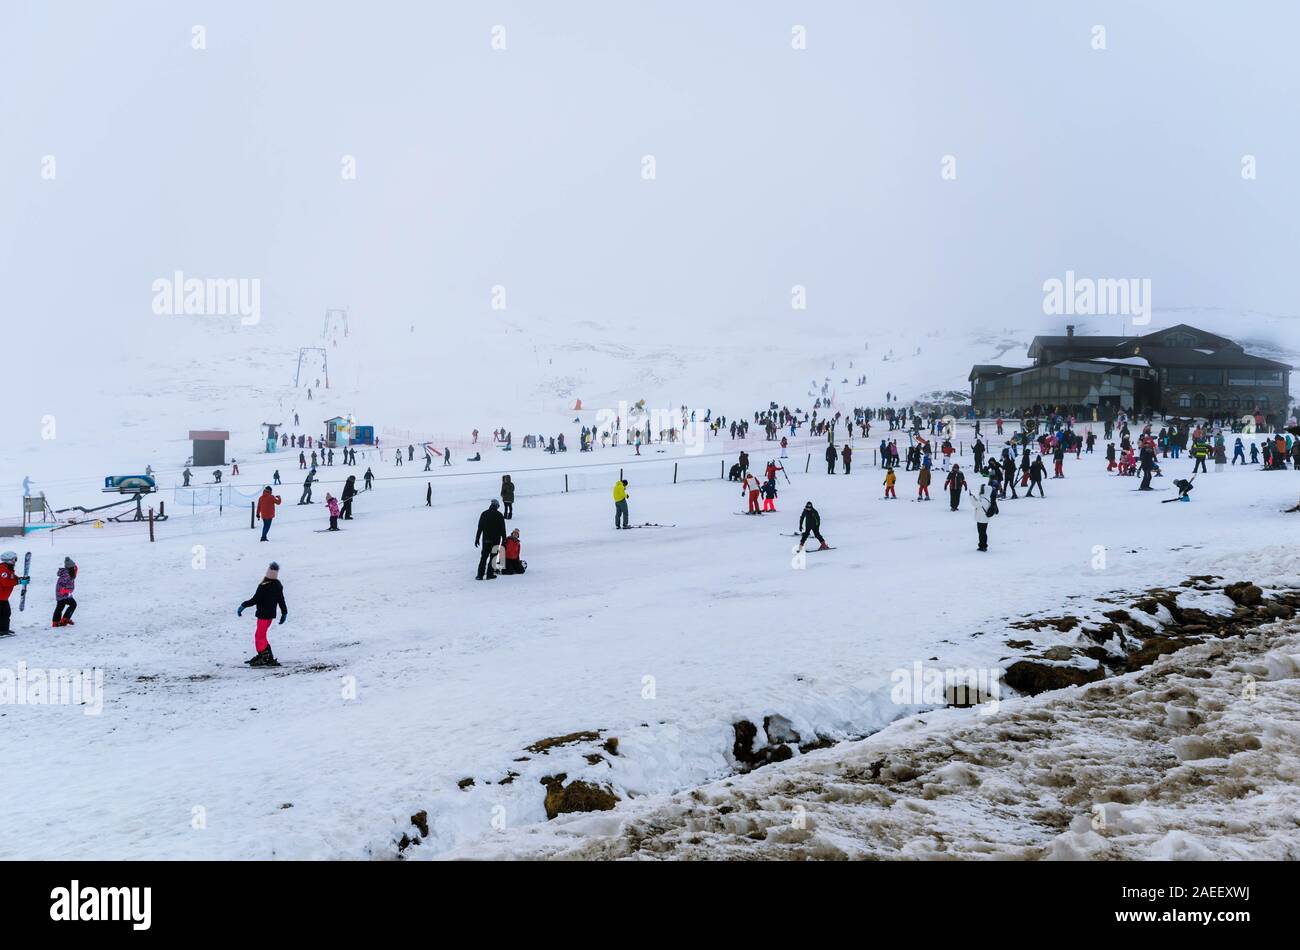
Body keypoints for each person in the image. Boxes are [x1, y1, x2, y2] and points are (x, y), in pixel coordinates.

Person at [238, 561, 287, 667]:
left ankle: (265, 657)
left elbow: (255, 600)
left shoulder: (263, 585)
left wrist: (243, 605)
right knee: (261, 635)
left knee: (259, 636)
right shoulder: (278, 585)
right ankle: (263, 655)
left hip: (263, 616)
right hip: (270, 616)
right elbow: (281, 600)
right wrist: (284, 612)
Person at [475, 499, 508, 579]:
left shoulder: (484, 513)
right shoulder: (499, 515)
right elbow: (503, 529)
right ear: (497, 506)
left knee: (483, 557)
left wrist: (477, 538)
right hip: (495, 540)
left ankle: (480, 575)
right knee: (493, 557)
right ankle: (490, 574)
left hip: (486, 540)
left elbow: (480, 528)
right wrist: (504, 539)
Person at [0, 551, 29, 634]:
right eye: (14, 559)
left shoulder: (9, 569)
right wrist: (19, 581)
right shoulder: (3, 569)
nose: (15, 561)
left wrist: (22, 579)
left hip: (3, 598)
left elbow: (13, 578)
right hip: (0, 597)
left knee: (6, 613)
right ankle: (2, 630)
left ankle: (4, 629)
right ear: (9, 560)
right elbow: (5, 582)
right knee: (3, 614)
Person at [52, 557, 77, 627]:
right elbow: (60, 584)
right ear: (71, 568)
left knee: (60, 606)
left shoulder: (70, 572)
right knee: (73, 604)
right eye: (73, 567)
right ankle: (65, 619)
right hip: (63, 594)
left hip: (63, 594)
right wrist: (65, 591)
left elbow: (76, 570)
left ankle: (55, 622)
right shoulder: (66, 574)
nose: (75, 568)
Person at [968, 485, 992, 551]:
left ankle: (983, 546)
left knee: (982, 533)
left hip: (982, 519)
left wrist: (971, 497)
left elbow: (975, 504)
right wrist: (974, 497)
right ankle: (983, 545)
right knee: (983, 533)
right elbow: (978, 503)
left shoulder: (984, 500)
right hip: (984, 519)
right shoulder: (986, 498)